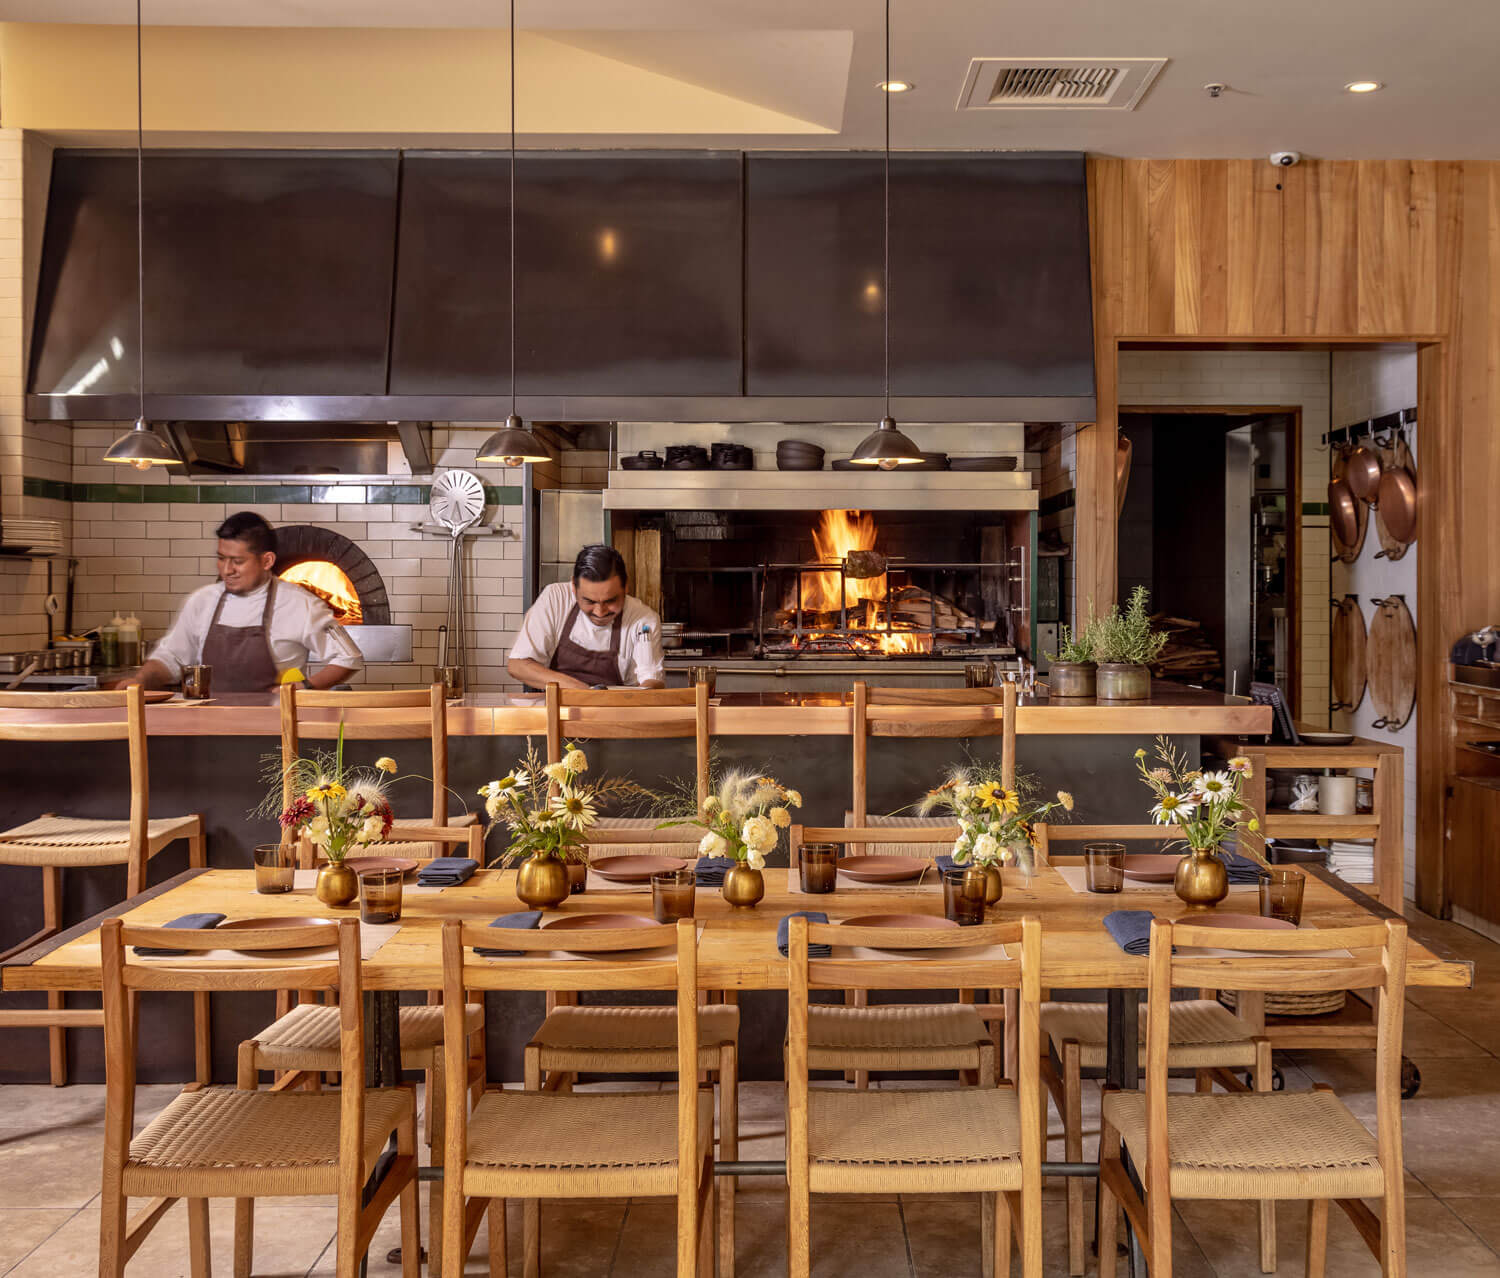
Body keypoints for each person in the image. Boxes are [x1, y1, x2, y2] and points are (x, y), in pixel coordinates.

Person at [128, 512, 363, 693]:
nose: (227, 570)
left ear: (267, 560)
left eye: (237, 561)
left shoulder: (300, 604)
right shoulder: (201, 601)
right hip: (208, 725)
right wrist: (138, 682)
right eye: (221, 559)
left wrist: (305, 688)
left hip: (274, 728)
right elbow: (171, 658)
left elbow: (348, 657)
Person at [507, 544, 664, 690]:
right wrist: (583, 691)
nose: (600, 612)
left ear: (626, 588)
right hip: (555, 710)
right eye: (589, 601)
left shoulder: (643, 620)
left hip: (617, 711)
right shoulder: (555, 598)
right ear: (574, 589)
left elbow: (652, 682)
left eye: (610, 601)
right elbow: (518, 665)